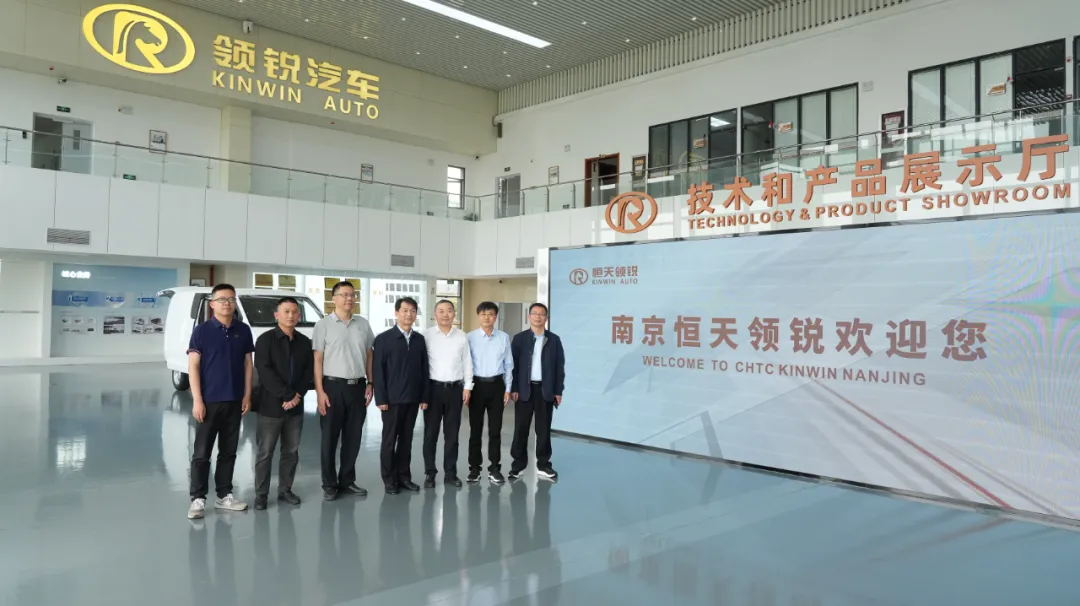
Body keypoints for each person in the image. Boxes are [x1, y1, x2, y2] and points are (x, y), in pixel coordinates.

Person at [186, 283, 255, 519]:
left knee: (229, 451)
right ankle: (197, 498)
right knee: (201, 453)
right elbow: (193, 366)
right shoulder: (202, 331)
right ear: (212, 304)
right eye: (222, 299)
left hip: (234, 400)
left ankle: (224, 495)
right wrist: (197, 400)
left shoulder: (243, 330)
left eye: (231, 299)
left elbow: (248, 364)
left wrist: (247, 394)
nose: (227, 303)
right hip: (209, 401)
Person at [312, 281, 376, 501]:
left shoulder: (363, 324)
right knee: (329, 438)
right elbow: (317, 359)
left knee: (353, 437)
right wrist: (320, 391)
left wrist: (370, 383)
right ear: (334, 298)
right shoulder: (323, 325)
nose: (349, 298)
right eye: (344, 294)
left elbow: (369, 355)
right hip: (332, 387)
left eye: (352, 295)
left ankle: (347, 480)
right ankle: (329, 484)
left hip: (357, 387)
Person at [252, 297, 313, 510]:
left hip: (295, 408)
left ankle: (285, 490)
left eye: (294, 312)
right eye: (286, 311)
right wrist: (287, 395)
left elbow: (308, 372)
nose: (290, 315)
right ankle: (261, 494)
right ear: (277, 315)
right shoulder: (265, 340)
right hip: (270, 407)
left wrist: (297, 395)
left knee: (291, 452)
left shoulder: (304, 342)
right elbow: (264, 371)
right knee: (265, 452)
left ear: (299, 316)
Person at [373, 297, 430, 494]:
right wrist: (381, 398)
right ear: (396, 313)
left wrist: (424, 397)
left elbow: (424, 369)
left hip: (412, 399)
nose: (409, 314)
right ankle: (389, 480)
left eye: (413, 311)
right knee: (389, 441)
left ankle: (404, 477)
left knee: (406, 441)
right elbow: (378, 371)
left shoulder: (419, 340)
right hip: (391, 400)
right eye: (405, 310)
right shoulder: (383, 339)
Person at [509, 302, 565, 482]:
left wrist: (558, 391)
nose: (538, 317)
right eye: (535, 313)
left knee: (543, 430)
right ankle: (517, 465)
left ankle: (544, 464)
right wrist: (514, 388)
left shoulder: (554, 340)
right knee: (521, 429)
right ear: (529, 316)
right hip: (524, 391)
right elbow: (512, 366)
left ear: (546, 318)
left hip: (545, 390)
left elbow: (559, 368)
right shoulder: (519, 339)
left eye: (542, 314)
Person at [422, 300, 473, 488]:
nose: (445, 314)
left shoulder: (461, 336)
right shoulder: (426, 335)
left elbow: (467, 362)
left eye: (449, 311)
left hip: (455, 390)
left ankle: (450, 473)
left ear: (454, 314)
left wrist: (468, 387)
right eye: (441, 311)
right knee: (430, 435)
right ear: (435, 314)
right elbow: (421, 365)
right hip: (433, 390)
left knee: (452, 435)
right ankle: (430, 473)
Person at [466, 301, 513, 485]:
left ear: (495, 317)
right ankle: (474, 469)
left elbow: (508, 365)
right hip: (477, 386)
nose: (487, 317)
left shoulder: (503, 337)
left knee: (495, 430)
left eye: (490, 314)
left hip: (497, 386)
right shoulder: (470, 337)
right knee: (475, 430)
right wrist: (467, 388)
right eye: (483, 314)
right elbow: (466, 365)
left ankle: (495, 468)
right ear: (478, 316)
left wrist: (508, 389)